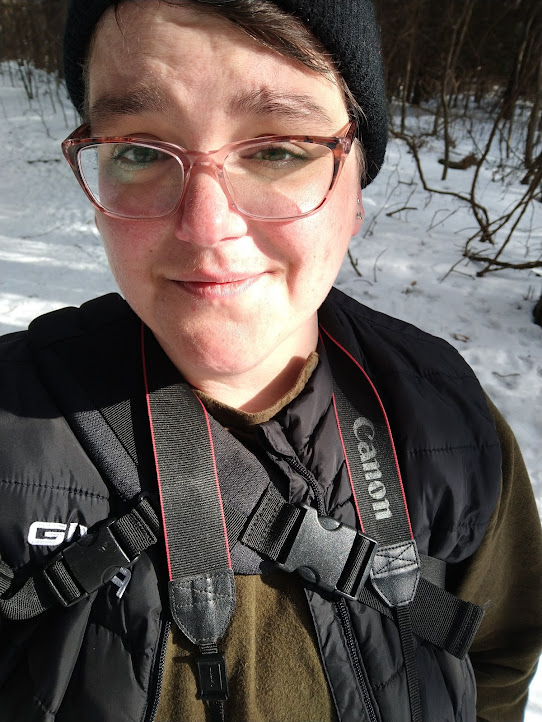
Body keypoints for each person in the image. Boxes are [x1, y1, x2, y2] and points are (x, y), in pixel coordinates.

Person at [0, 1, 540, 720]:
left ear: (356, 190)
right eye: (140, 150)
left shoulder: (442, 422)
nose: (205, 225)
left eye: (277, 149)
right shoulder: (12, 436)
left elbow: (494, 663)